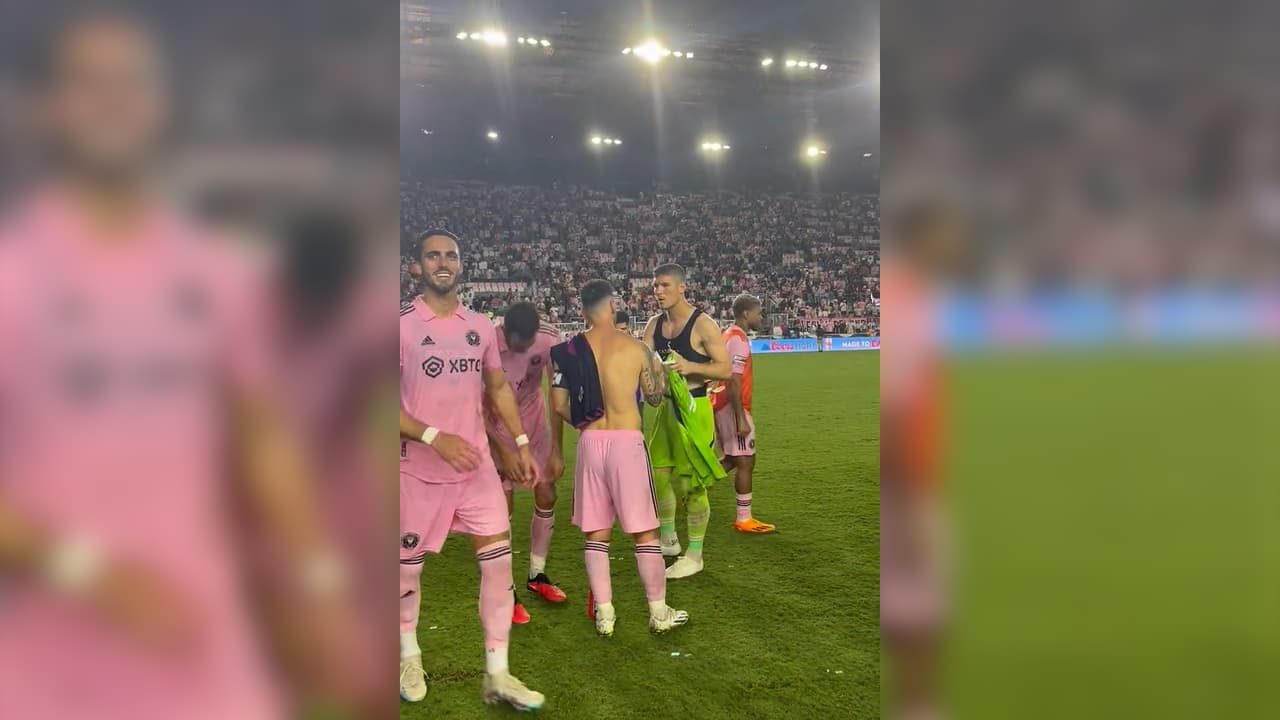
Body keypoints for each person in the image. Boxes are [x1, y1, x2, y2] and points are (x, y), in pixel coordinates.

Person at [0, 13, 361, 719]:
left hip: (207, 649)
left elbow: (264, 436)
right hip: (54, 659)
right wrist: (89, 570)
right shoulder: (11, 277)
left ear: (161, 105)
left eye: (132, 81)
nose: (113, 99)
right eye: (88, 82)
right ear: (47, 108)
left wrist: (320, 585)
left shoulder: (215, 272)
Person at [399, 230, 544, 710]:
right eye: (432, 256)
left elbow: (499, 387)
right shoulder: (397, 325)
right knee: (406, 575)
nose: (443, 262)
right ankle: (408, 652)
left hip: (477, 468)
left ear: (462, 265)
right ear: (415, 267)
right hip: (416, 470)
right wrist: (434, 437)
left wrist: (520, 442)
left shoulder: (480, 326)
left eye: (451, 256)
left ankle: (498, 674)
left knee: (500, 564)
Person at [549, 279, 688, 636]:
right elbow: (655, 398)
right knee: (645, 533)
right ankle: (658, 612)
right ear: (613, 306)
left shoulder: (568, 350)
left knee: (596, 533)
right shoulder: (636, 348)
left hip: (591, 442)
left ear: (582, 311)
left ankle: (605, 614)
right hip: (627, 443)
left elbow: (559, 405)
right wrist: (663, 373)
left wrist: (585, 421)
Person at [642, 264, 732, 579]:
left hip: (694, 409)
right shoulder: (653, 325)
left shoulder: (703, 325)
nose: (658, 292)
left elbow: (724, 370)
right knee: (660, 474)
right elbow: (644, 366)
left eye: (665, 285)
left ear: (682, 287)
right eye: (655, 286)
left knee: (691, 485)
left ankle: (695, 555)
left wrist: (689, 366)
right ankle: (667, 540)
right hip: (665, 410)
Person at [487, 301, 567, 624]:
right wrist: (502, 451)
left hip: (534, 427)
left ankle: (537, 575)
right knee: (499, 511)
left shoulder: (549, 339)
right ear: (506, 332)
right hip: (495, 431)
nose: (526, 348)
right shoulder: (486, 343)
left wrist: (558, 450)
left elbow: (557, 394)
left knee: (547, 493)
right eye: (520, 343)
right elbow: (473, 404)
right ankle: (506, 591)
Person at [710, 294, 776, 533]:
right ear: (747, 313)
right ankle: (744, 518)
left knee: (730, 458)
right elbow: (734, 381)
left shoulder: (727, 334)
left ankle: (694, 488)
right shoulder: (737, 339)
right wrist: (740, 418)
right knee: (746, 460)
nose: (761, 317)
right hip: (732, 406)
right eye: (759, 312)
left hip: (721, 403)